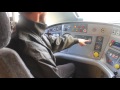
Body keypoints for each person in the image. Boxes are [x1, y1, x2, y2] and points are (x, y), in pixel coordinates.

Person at [8, 12, 90, 78]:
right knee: (73, 66)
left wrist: (76, 40)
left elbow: (51, 42)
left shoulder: (27, 31)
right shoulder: (31, 47)